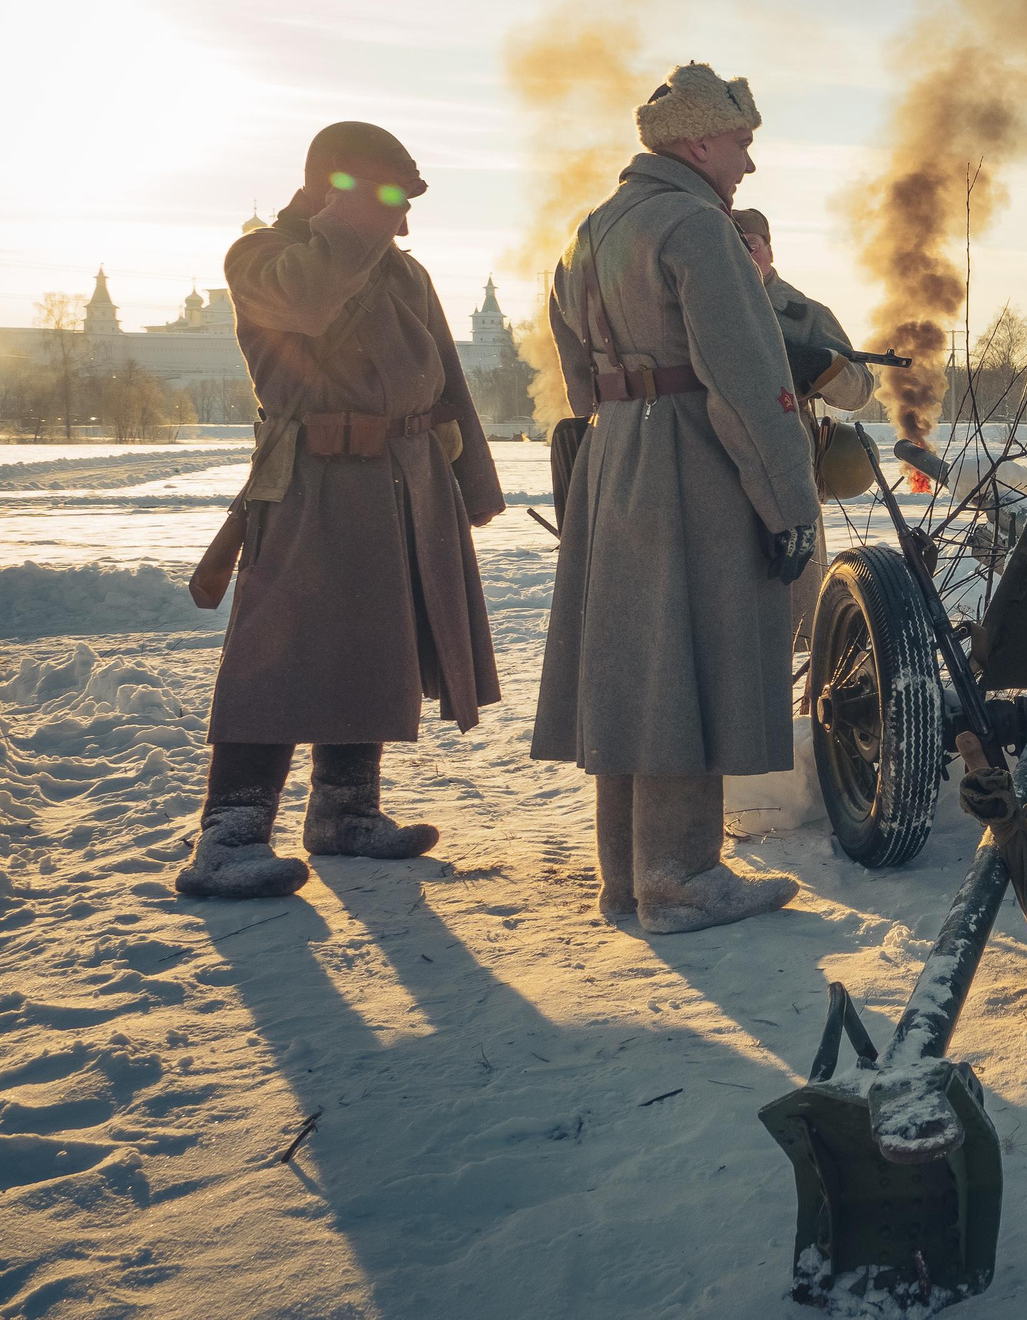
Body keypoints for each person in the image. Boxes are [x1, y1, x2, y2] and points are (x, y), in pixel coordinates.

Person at [532, 62, 822, 935]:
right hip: (693, 461)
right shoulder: (699, 228)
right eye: (741, 143)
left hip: (616, 456)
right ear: (699, 140)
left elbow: (576, 365)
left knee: (635, 664)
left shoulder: (594, 225)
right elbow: (747, 379)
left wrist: (623, 432)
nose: (749, 164)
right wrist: (789, 506)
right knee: (687, 661)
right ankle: (684, 876)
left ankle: (630, 877)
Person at [178, 122, 503, 898]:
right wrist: (355, 216)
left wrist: (473, 483)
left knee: (375, 642)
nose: (403, 221)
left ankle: (345, 811)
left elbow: (447, 377)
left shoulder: (403, 272)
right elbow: (313, 300)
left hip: (402, 476)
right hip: (309, 481)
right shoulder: (259, 258)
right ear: (340, 193)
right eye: (389, 200)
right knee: (278, 650)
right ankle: (229, 833)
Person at [731, 205, 873, 650]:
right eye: (730, 246)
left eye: (749, 245)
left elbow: (860, 389)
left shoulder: (804, 314)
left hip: (788, 469)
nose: (742, 254)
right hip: (718, 466)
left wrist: (820, 366)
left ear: (769, 249)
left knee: (796, 614)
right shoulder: (699, 305)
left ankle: (805, 706)